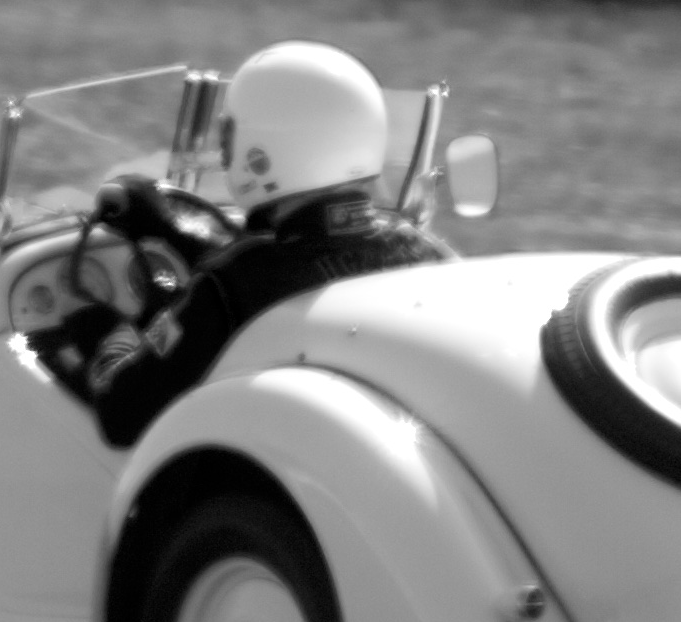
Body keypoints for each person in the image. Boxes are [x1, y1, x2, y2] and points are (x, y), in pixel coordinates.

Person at [82, 41, 453, 448]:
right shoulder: (431, 256)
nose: (225, 152)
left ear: (264, 151)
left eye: (230, 135)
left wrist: (120, 332)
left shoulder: (235, 284)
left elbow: (120, 416)